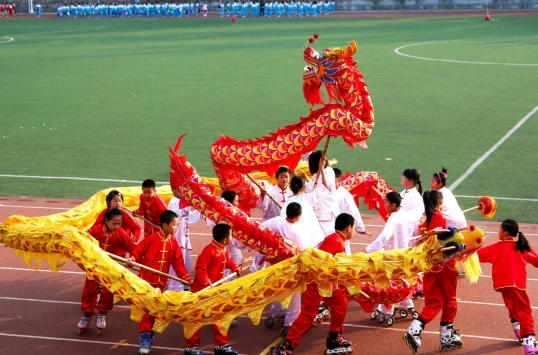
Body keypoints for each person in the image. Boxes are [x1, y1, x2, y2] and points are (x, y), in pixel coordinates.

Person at [271, 213, 355, 355]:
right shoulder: (335, 240)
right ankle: (288, 346)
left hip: (327, 283)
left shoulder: (336, 239)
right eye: (354, 228)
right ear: (349, 228)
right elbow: (321, 264)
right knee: (308, 314)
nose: (353, 231)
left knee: (341, 304)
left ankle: (335, 337)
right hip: (317, 283)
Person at [404, 190, 462, 353]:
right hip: (444, 265)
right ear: (440, 202)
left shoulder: (423, 220)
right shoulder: (440, 218)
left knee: (434, 302)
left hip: (429, 266)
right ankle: (446, 336)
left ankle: (414, 329)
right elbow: (442, 244)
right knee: (450, 299)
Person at [129, 210, 192, 355]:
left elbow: (178, 264)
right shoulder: (151, 239)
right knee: (148, 309)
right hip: (146, 280)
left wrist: (186, 278)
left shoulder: (173, 243)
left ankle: (149, 334)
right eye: (174, 225)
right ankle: (145, 338)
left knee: (154, 310)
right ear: (164, 225)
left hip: (160, 282)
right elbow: (138, 250)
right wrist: (132, 259)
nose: (176, 228)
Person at [478, 219, 538, 354]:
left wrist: (462, 252)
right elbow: (537, 260)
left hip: (502, 284)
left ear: (505, 233)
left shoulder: (496, 247)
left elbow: (478, 255)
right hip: (516, 284)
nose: (498, 231)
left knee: (511, 304)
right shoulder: (522, 247)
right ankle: (529, 343)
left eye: (499, 228)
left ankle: (517, 327)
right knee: (525, 311)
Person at [184, 224, 242, 355]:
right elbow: (200, 268)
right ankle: (191, 348)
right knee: (197, 319)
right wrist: (206, 282)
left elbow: (227, 261)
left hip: (215, 291)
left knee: (220, 317)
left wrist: (235, 267)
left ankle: (221, 345)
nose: (232, 237)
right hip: (202, 291)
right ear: (225, 240)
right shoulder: (209, 251)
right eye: (231, 235)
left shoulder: (223, 249)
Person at [78, 209, 136, 335]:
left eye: (119, 224)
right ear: (106, 221)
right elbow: (83, 241)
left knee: (108, 291)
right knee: (89, 290)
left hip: (110, 268)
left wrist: (132, 259)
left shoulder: (120, 233)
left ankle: (102, 314)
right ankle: (86, 316)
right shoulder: (96, 230)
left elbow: (133, 248)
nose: (117, 226)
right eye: (114, 223)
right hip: (94, 266)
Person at [365, 192, 415, 320]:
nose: (384, 204)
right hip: (403, 254)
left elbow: (384, 237)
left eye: (386, 202)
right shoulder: (403, 215)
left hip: (392, 257)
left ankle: (386, 310)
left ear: (393, 205)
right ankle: (405, 303)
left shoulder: (393, 219)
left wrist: (370, 249)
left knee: (387, 282)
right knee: (402, 280)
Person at [167, 186, 203, 291]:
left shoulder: (181, 202)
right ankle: (175, 289)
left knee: (186, 263)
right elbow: (183, 212)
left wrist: (201, 209)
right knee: (177, 266)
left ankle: (185, 286)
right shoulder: (174, 203)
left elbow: (189, 217)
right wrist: (191, 201)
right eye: (181, 190)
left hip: (184, 240)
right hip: (176, 241)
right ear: (173, 190)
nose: (184, 193)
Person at [333, 168, 367, 254]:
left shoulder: (345, 194)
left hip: (342, 228)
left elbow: (354, 211)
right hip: (329, 227)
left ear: (339, 179)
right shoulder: (324, 191)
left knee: (344, 248)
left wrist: (360, 227)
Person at [400, 168, 424, 236]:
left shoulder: (416, 197)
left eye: (404, 176)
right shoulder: (402, 193)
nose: (402, 178)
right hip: (401, 228)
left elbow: (415, 215)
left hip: (409, 232)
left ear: (411, 181)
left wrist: (400, 217)